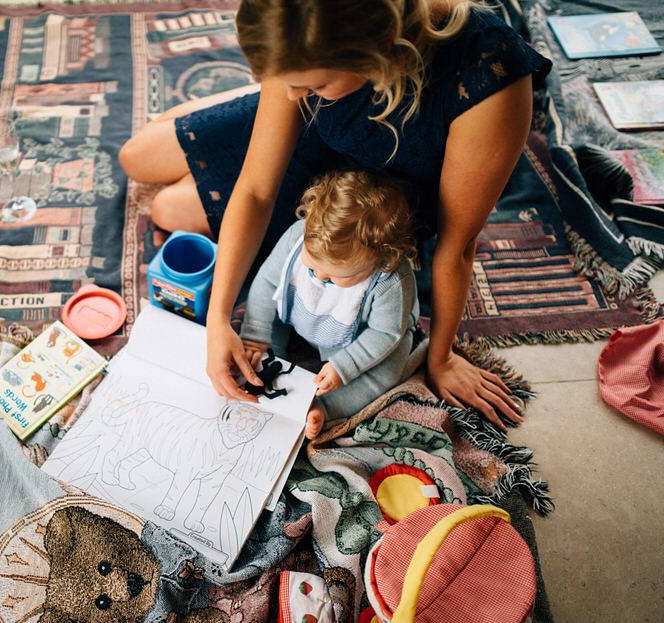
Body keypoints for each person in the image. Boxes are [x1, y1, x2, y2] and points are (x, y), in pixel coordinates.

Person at [119, 0, 552, 429]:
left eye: (311, 83)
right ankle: (271, 91)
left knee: (169, 208)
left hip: (386, 196)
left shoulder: (489, 72)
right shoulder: (302, 29)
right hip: (318, 145)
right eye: (281, 79)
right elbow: (254, 191)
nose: (288, 95)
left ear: (378, 50)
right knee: (138, 160)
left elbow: (458, 247)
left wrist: (439, 358)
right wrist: (218, 317)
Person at [241, 169, 422, 438]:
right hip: (302, 312)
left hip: (360, 339)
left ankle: (325, 408)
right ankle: (269, 363)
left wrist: (344, 367)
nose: (320, 278)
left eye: (337, 276)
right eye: (312, 265)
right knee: (269, 314)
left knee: (388, 369)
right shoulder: (297, 237)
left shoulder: (391, 279)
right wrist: (255, 336)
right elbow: (267, 282)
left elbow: (385, 333)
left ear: (382, 258)